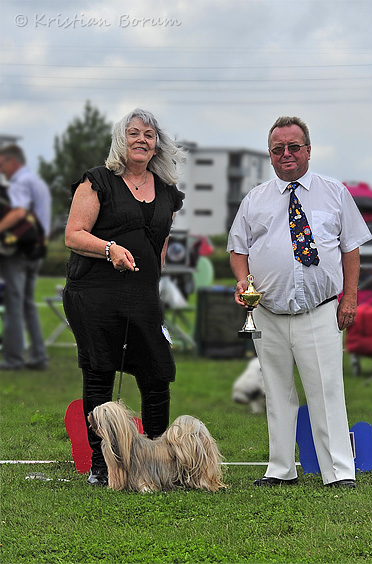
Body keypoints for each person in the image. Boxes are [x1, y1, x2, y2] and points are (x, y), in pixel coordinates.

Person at [227, 116, 372, 489]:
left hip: (321, 309)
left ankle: (339, 473)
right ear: (270, 155)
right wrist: (243, 282)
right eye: (278, 149)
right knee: (275, 392)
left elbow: (350, 248)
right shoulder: (254, 199)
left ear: (308, 150)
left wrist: (350, 298)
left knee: (326, 390)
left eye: (293, 147)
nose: (286, 154)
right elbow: (238, 249)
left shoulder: (334, 192)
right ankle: (281, 469)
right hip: (267, 311)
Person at [63, 108, 185, 486]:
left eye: (148, 134)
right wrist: (109, 248)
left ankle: (156, 462)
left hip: (142, 296)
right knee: (99, 375)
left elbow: (160, 247)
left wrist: (154, 287)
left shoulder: (167, 193)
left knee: (157, 374)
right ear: (121, 140)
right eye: (133, 133)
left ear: (157, 145)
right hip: (94, 294)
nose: (141, 139)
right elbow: (73, 234)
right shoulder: (98, 181)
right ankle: (101, 467)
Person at [0, 144, 51, 370]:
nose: (2, 170)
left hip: (18, 253)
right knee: (28, 304)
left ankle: (13, 359)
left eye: (2, 164)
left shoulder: (20, 183)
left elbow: (19, 212)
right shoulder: (38, 183)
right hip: (36, 250)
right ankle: (39, 356)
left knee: (14, 305)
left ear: (12, 161)